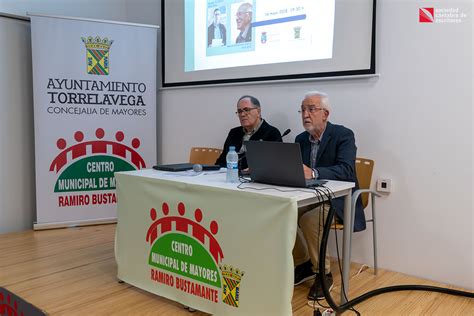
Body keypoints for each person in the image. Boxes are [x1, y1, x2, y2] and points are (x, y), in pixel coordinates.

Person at [292, 91, 365, 300]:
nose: (306, 114)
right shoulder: (300, 139)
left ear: (325, 113)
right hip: (309, 196)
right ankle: (303, 263)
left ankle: (323, 274)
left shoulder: (343, 135)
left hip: (339, 200)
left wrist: (314, 173)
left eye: (311, 109)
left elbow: (346, 170)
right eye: (303, 109)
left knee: (309, 220)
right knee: (283, 212)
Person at [215, 95, 281, 169]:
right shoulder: (234, 133)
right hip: (229, 177)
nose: (242, 114)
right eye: (239, 111)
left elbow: (275, 166)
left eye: (246, 110)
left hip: (255, 179)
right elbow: (221, 161)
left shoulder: (271, 133)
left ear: (258, 112)